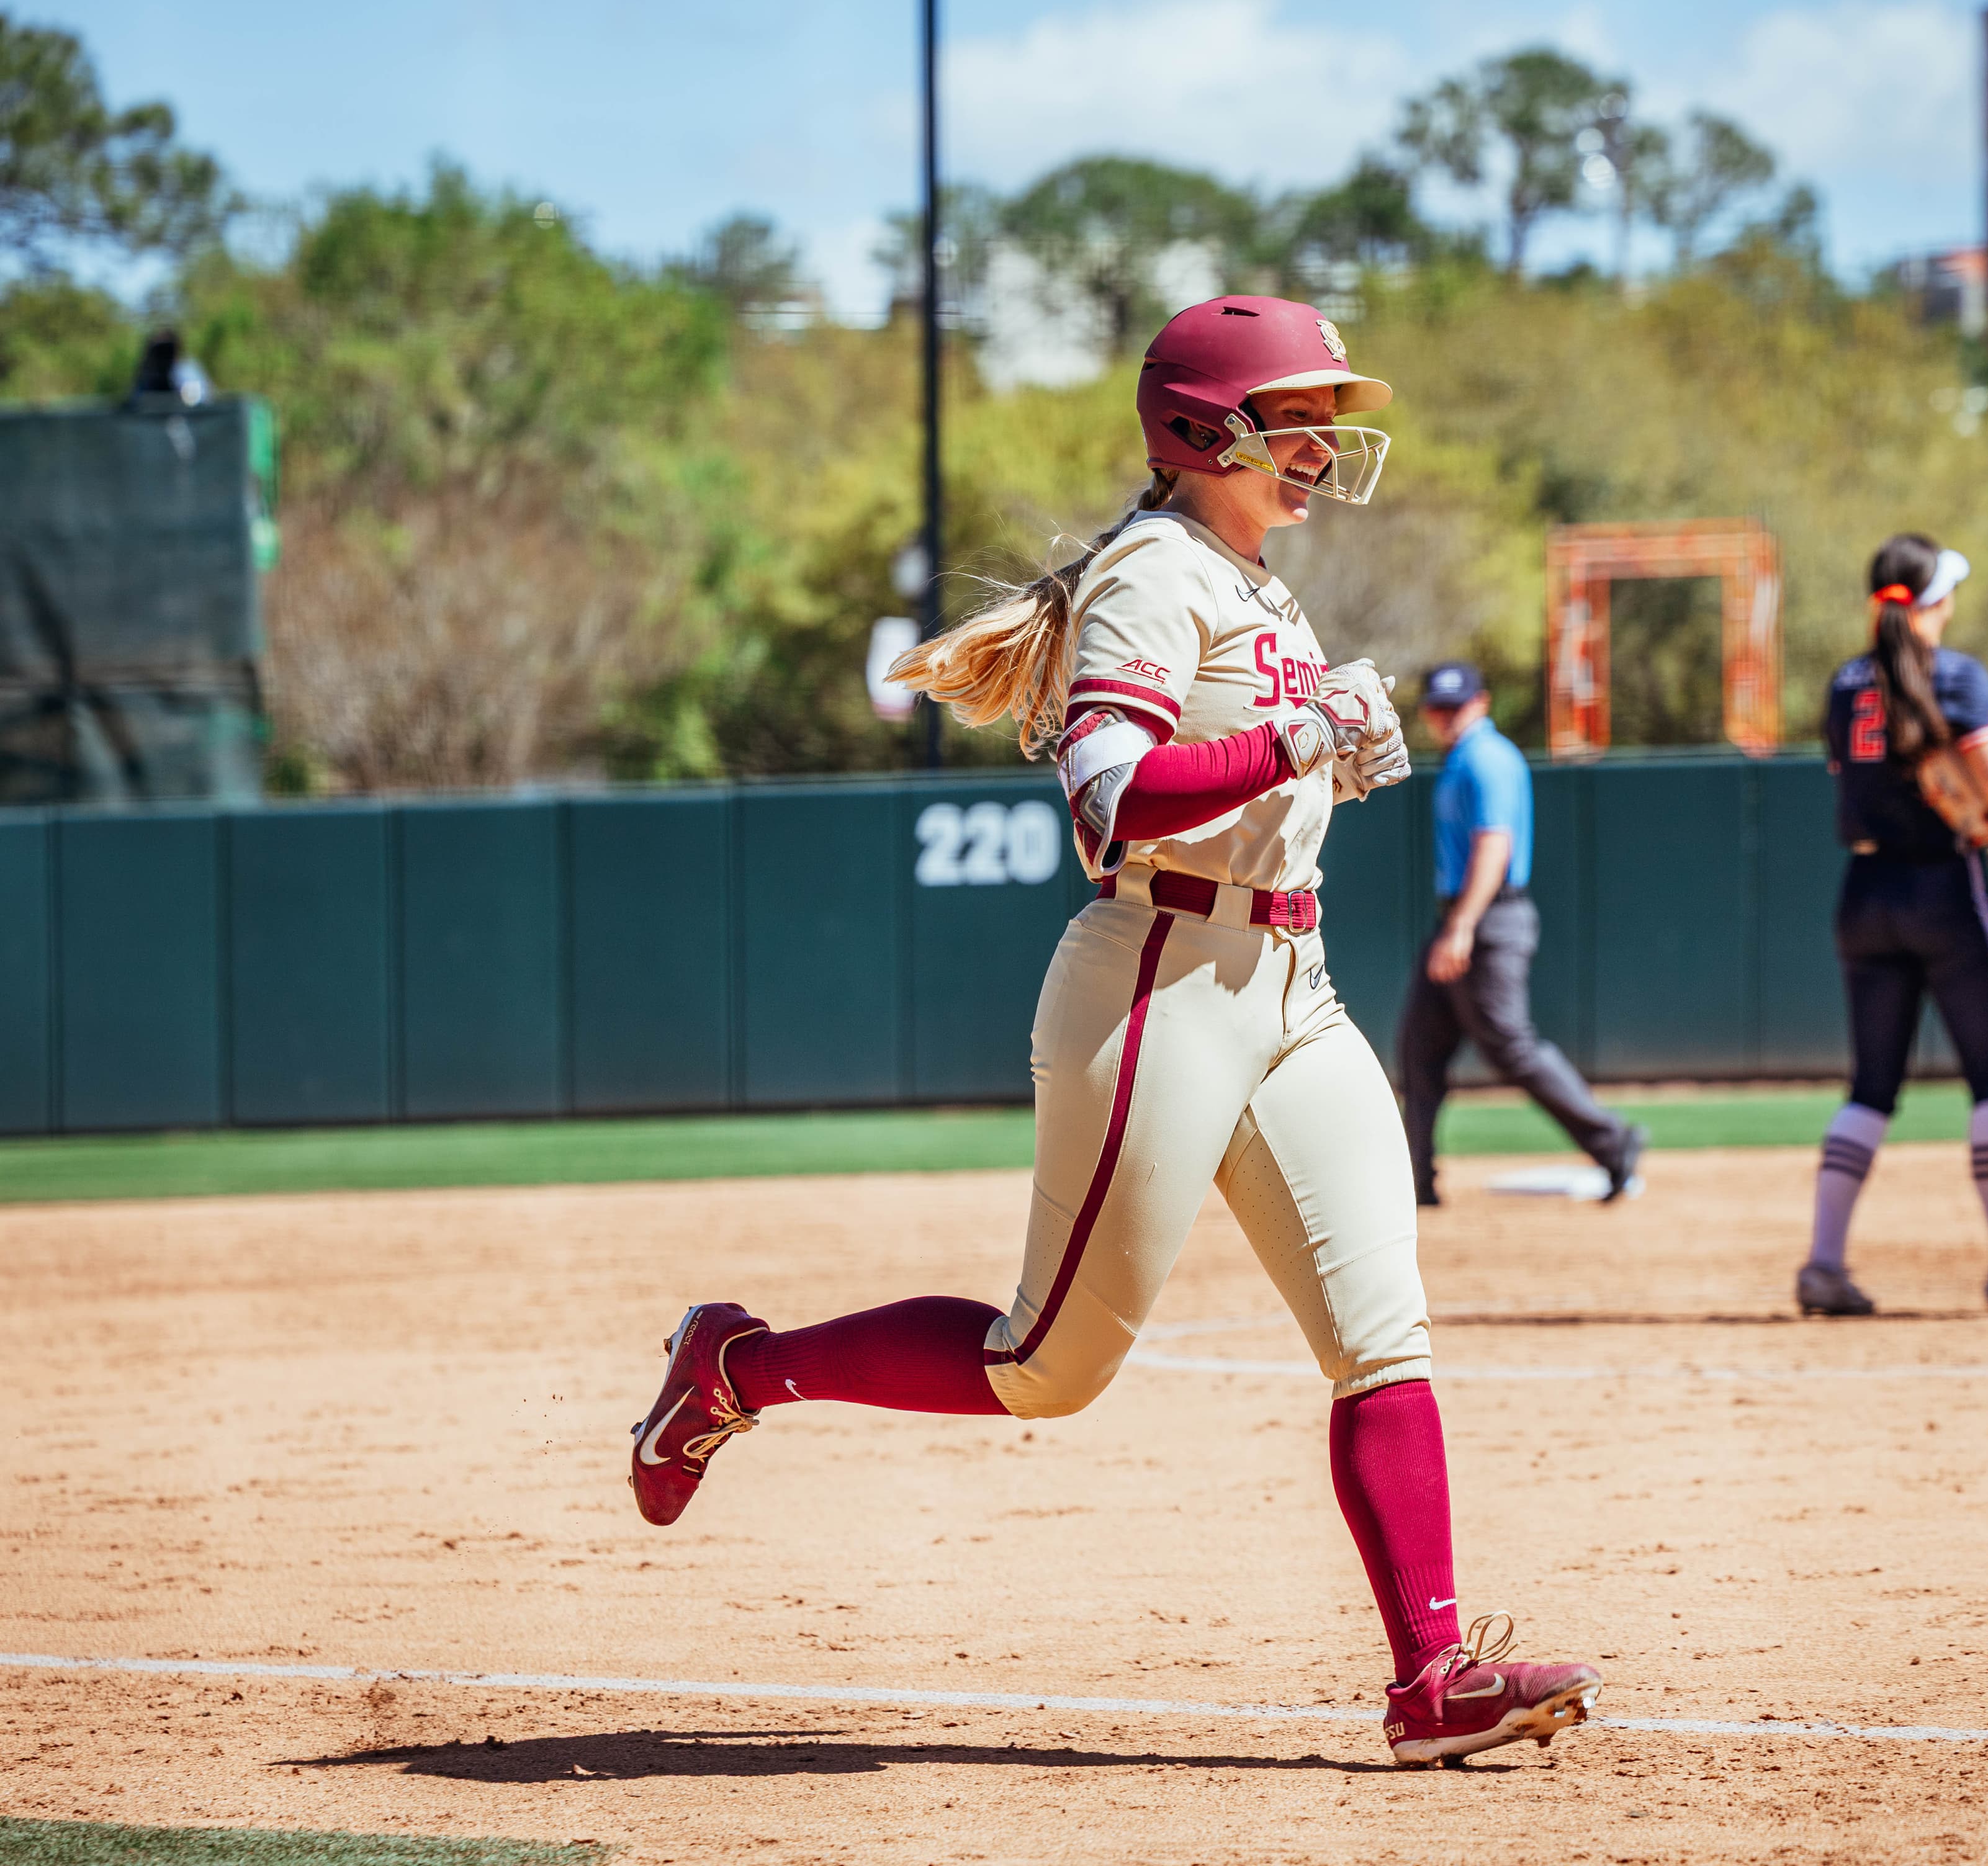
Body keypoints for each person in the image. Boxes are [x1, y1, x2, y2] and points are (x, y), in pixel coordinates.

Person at [625, 296, 1602, 1768]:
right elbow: (1105, 799)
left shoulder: (1253, 579)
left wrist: (1329, 759)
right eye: (1296, 412)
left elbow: (1261, 763)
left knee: (1381, 1331)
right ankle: (736, 1368)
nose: (1324, 437)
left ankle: (1431, 1674)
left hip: (1292, 982)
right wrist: (1290, 738)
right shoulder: (1155, 573)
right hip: (1159, 977)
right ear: (1204, 429)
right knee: (1046, 1364)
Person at [1797, 534, 1988, 1317]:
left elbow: (1849, 774)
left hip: (1862, 890)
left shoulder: (1844, 683)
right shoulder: (1957, 675)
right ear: (1936, 601)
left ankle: (1823, 1264)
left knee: (1871, 1086)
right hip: (1944, 886)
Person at [1397, 662, 1645, 1208]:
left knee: (1511, 1046)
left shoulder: (1488, 758)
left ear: (1481, 703)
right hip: (1463, 918)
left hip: (1486, 919)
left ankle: (1615, 1141)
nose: (1445, 717)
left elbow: (1495, 846)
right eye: (1437, 708)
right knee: (1420, 1048)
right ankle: (1413, 1181)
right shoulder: (1462, 758)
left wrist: (1461, 926)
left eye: (1454, 706)